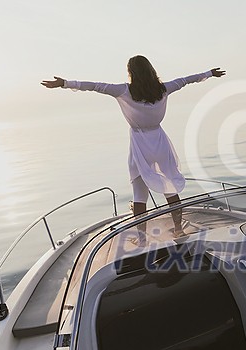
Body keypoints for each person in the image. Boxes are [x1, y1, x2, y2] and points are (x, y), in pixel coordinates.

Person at [42, 55, 225, 238]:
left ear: (131, 72)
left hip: (139, 143)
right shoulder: (163, 89)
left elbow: (95, 86)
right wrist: (210, 73)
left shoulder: (124, 90)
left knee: (139, 194)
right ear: (150, 70)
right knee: (170, 187)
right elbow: (186, 80)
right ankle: (178, 229)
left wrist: (64, 83)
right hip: (160, 141)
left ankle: (142, 238)